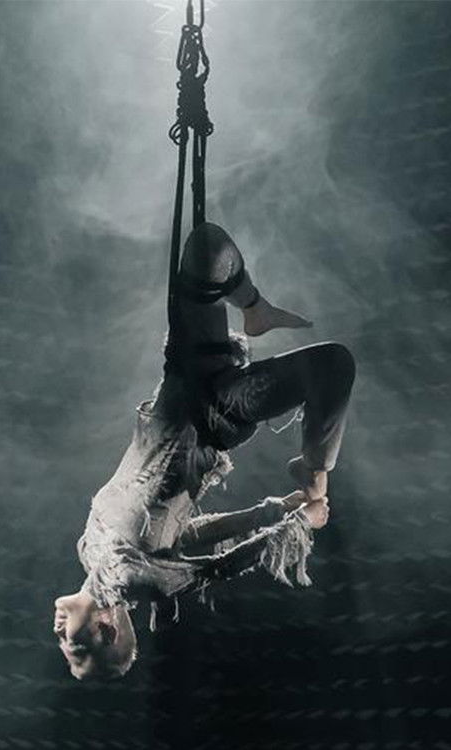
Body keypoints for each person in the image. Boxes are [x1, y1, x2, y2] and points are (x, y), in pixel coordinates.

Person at [53, 223, 355, 680]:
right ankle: (315, 475)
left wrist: (266, 510)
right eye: (74, 645)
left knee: (209, 249)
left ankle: (256, 311)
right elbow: (217, 568)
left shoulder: (90, 552)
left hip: (184, 376)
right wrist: (296, 522)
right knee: (333, 365)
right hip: (215, 412)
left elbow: (184, 532)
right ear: (106, 630)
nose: (58, 632)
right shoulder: (137, 583)